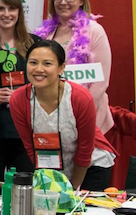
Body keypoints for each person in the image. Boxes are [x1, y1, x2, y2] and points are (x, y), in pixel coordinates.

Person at [10, 40, 116, 190]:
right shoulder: (19, 99)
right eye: (33, 62)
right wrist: (50, 182)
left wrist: (71, 189)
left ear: (61, 68)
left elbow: (85, 149)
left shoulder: (80, 97)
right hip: (53, 165)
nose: (38, 69)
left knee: (78, 205)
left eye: (47, 64)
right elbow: (30, 147)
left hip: (91, 165)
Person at [33, 0, 113, 134]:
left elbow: (101, 81)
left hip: (86, 112)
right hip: (52, 111)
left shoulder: (94, 31)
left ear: (81, 0)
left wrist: (80, 111)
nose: (63, 2)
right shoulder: (45, 33)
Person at [0, 0, 39, 189]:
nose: (7, 14)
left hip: (25, 131)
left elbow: (46, 84)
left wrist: (23, 95)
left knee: (24, 190)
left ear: (19, 12)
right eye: (1, 8)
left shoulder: (35, 44)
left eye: (12, 8)